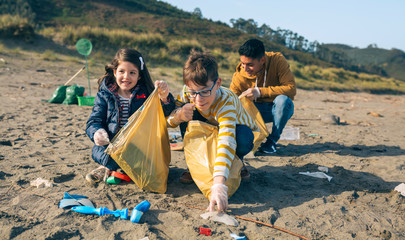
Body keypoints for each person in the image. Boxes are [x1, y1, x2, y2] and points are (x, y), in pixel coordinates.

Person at [167, 51, 259, 212]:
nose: (198, 98)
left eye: (205, 91)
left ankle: (238, 162)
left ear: (217, 84)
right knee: (185, 111)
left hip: (235, 130)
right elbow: (168, 121)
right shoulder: (188, 92)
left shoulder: (227, 102)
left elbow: (227, 140)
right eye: (193, 92)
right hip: (206, 127)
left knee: (243, 138)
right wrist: (179, 116)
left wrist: (218, 183)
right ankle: (193, 164)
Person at [85, 48, 175, 185]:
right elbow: (94, 121)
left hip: (139, 148)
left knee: (151, 167)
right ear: (115, 72)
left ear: (139, 76)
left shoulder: (147, 95)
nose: (126, 77)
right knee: (106, 156)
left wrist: (164, 96)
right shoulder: (104, 95)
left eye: (132, 73)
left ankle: (120, 169)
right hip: (111, 147)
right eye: (122, 71)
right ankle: (107, 168)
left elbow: (165, 111)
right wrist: (97, 132)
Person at [230, 38, 296, 154]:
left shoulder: (277, 60)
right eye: (243, 63)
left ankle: (272, 142)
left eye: (250, 65)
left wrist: (259, 92)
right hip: (252, 112)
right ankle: (250, 140)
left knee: (283, 101)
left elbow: (291, 89)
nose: (245, 68)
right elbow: (230, 102)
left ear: (262, 60)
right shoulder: (239, 76)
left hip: (275, 110)